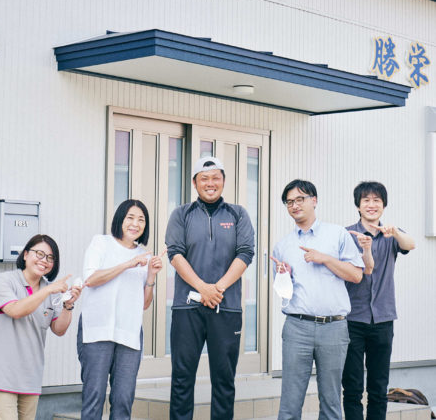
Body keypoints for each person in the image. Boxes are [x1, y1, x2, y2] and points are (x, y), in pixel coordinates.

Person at [165, 156, 255, 420]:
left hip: (226, 308)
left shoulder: (238, 214)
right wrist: (202, 288)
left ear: (224, 181)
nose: (210, 183)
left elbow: (246, 253)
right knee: (182, 378)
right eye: (204, 178)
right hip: (187, 308)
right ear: (195, 183)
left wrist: (217, 289)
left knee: (224, 379)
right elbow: (175, 254)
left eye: (216, 177)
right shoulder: (181, 214)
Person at [271, 179, 364, 420]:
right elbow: (283, 292)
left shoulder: (337, 234)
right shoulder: (283, 246)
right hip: (297, 327)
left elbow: (356, 275)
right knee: (290, 403)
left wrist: (326, 259)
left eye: (299, 199)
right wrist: (284, 276)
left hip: (333, 327)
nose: (294, 205)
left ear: (314, 200)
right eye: (289, 202)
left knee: (331, 401)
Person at [77, 199, 163, 420]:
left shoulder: (143, 255)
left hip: (129, 332)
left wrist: (151, 275)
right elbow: (91, 279)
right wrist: (128, 264)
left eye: (141, 220)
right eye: (130, 218)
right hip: (97, 330)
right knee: (94, 396)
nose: (135, 224)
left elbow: (144, 304)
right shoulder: (101, 243)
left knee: (124, 399)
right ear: (120, 219)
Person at [0, 234, 81, 420]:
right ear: (25, 255)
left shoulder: (51, 291)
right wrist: (48, 290)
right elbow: (15, 310)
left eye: (50, 258)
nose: (44, 260)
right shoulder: (3, 281)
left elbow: (59, 329)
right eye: (39, 254)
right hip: (1, 376)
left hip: (31, 378)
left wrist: (68, 306)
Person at [342, 181, 415, 420]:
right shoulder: (346, 235)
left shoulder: (391, 235)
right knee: (352, 387)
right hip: (352, 319)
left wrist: (395, 232)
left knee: (378, 388)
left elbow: (410, 244)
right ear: (358, 206)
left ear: (384, 205)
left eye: (377, 200)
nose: (371, 205)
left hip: (383, 319)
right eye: (366, 200)